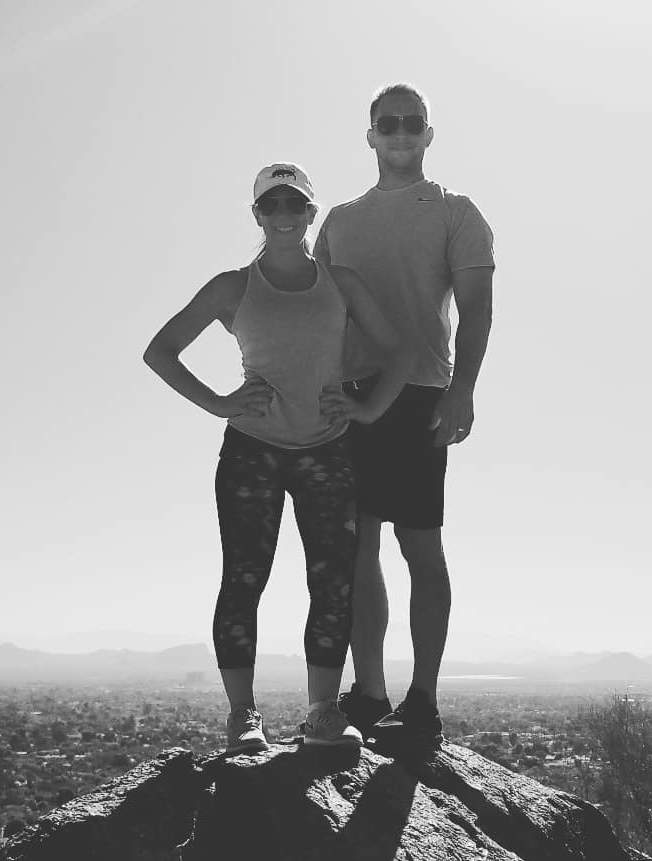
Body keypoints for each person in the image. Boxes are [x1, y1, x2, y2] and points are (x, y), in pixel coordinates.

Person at [143, 163, 411, 752]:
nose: (284, 215)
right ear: (257, 215)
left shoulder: (341, 283)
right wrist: (218, 403)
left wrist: (368, 410)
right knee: (244, 581)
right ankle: (243, 718)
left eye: (295, 204)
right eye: (272, 205)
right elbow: (160, 351)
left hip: (326, 449)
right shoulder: (231, 287)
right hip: (252, 450)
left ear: (312, 213)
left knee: (332, 583)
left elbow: (400, 353)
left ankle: (322, 715)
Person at [313, 83, 495, 748]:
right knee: (358, 546)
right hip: (349, 395)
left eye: (410, 122)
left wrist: (462, 389)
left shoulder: (456, 212)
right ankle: (370, 693)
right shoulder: (338, 222)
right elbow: (314, 314)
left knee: (419, 544)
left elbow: (477, 309)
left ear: (428, 134)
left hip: (420, 392)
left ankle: (422, 703)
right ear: (370, 136)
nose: (399, 132)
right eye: (386, 123)